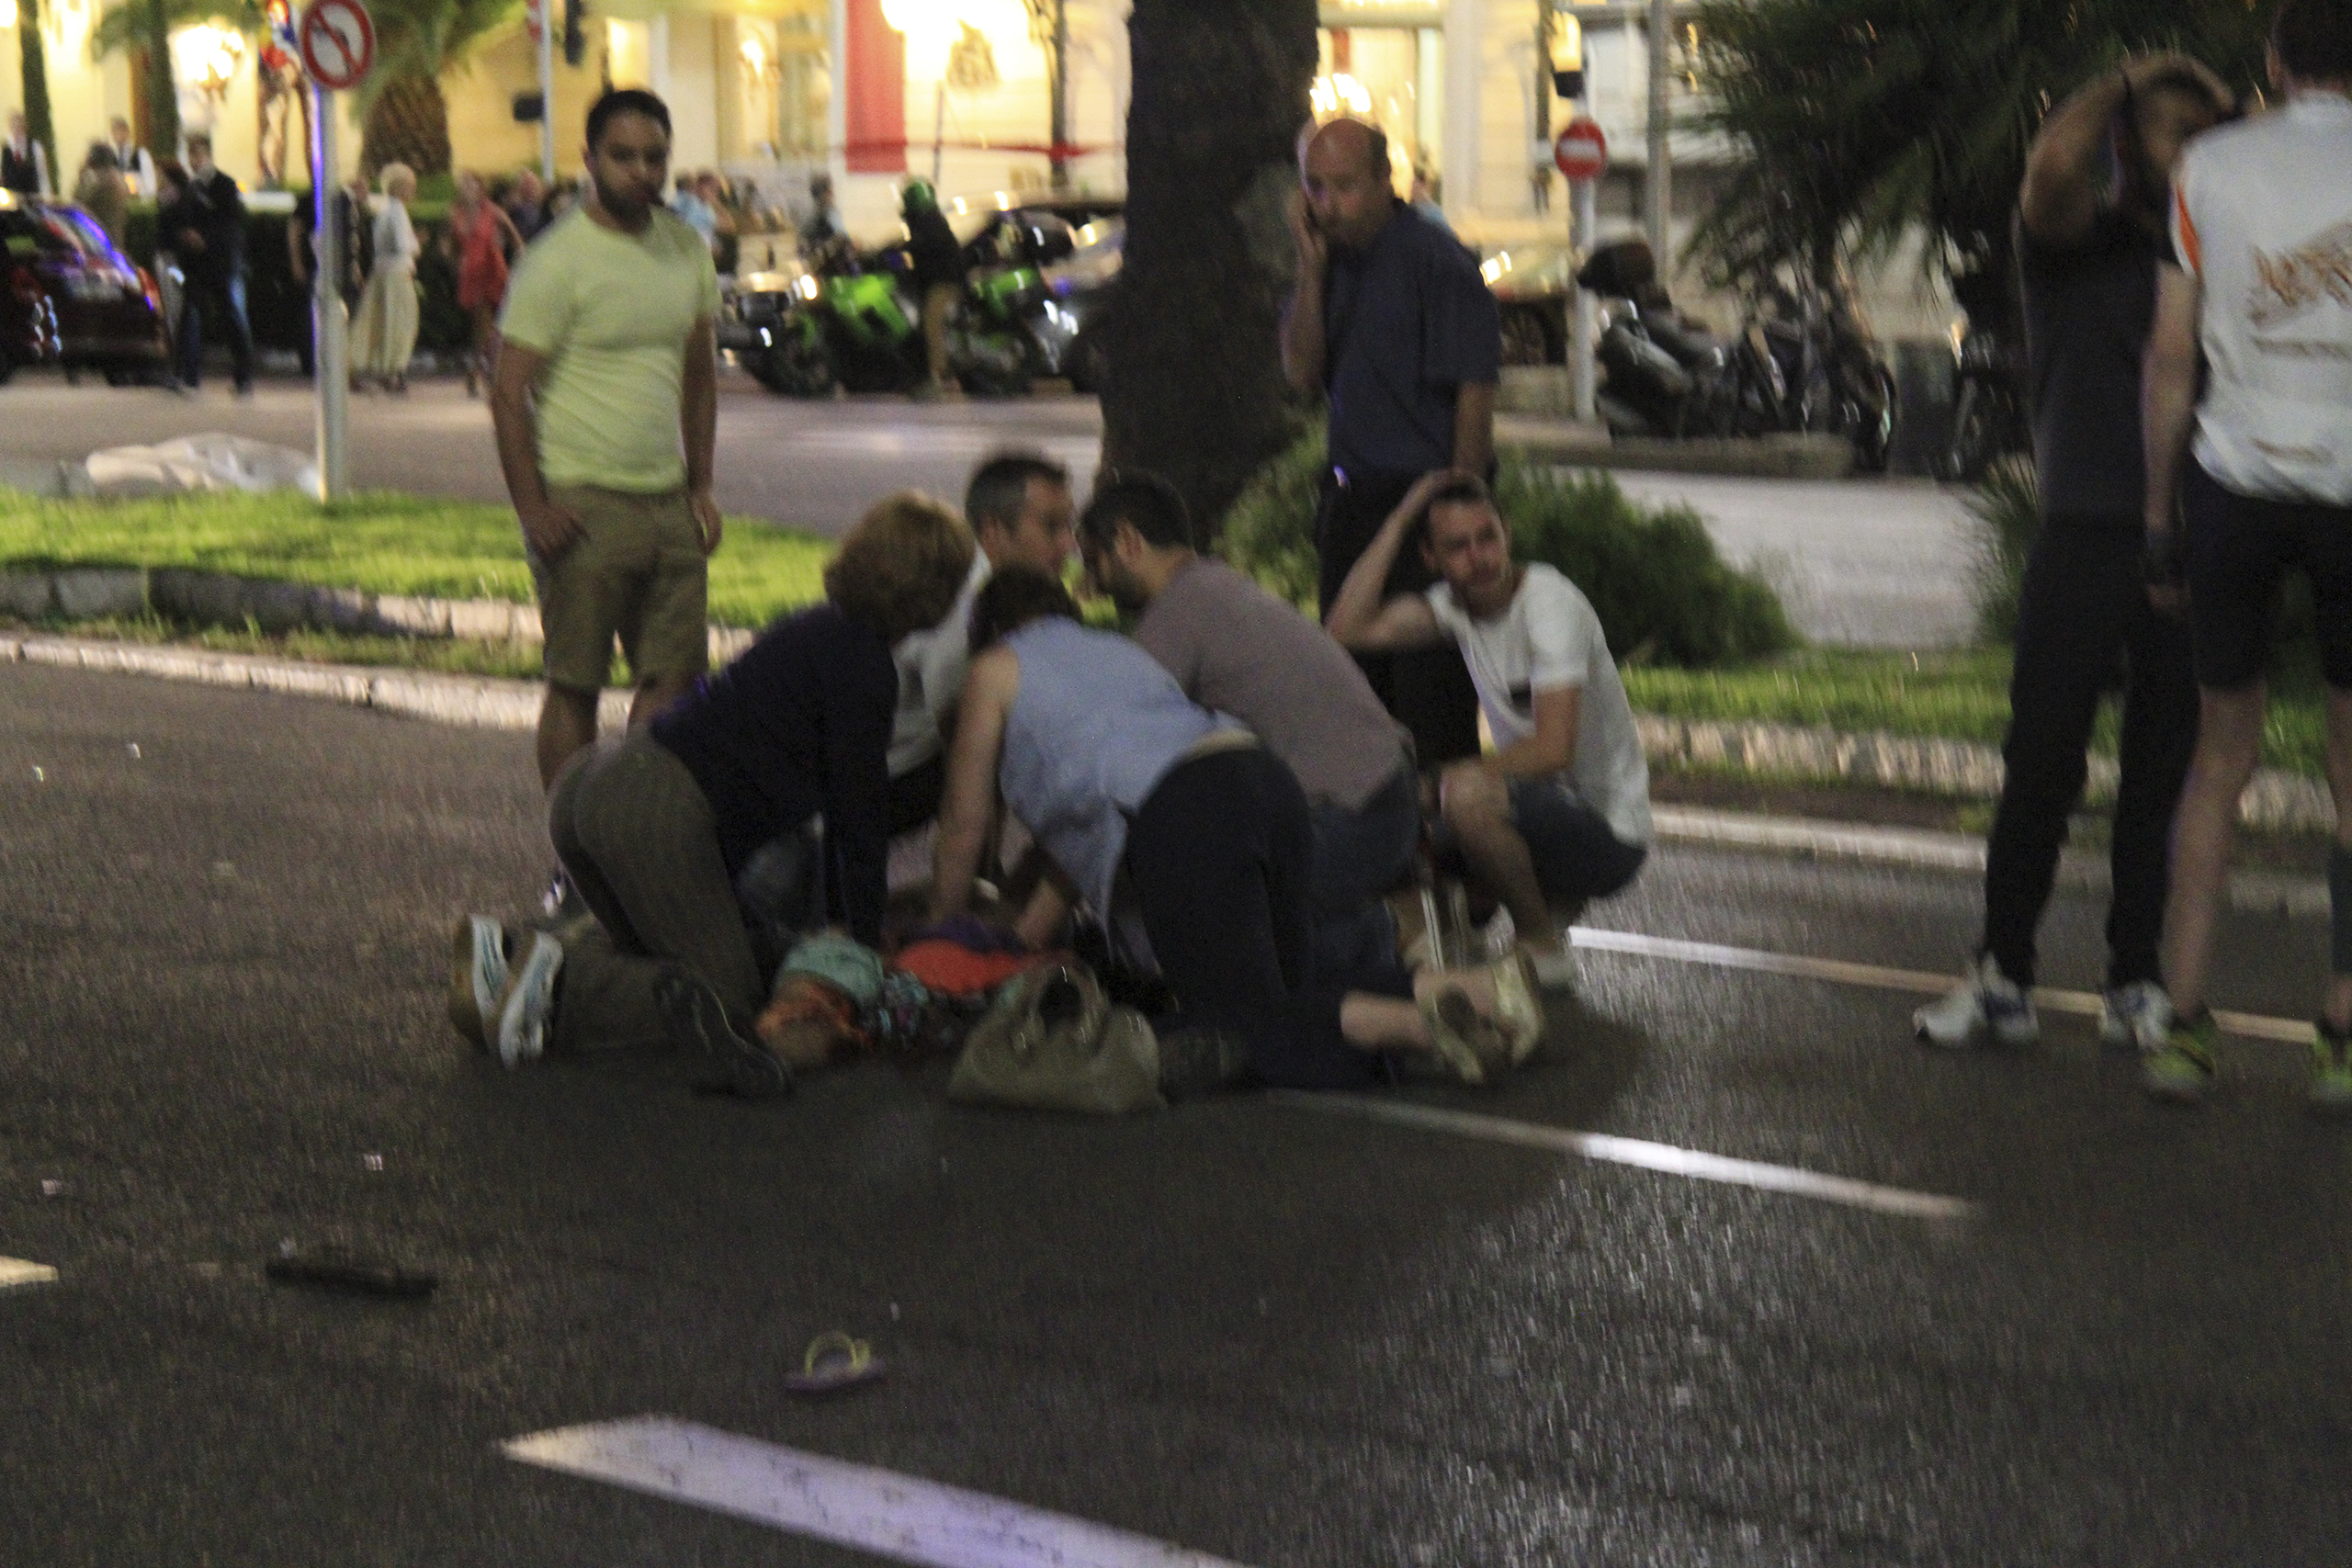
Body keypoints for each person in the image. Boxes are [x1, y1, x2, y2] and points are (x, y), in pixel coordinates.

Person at [930, 569, 1544, 1095]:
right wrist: (1026, 937)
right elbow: (1096, 822)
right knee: (1289, 986)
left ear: (988, 632)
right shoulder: (1118, 655)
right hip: (1262, 780)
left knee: (1229, 1023)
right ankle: (1472, 990)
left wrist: (941, 935)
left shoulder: (996, 667)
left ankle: (1419, 1028)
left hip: (1187, 811)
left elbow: (964, 820)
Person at [449, 494, 974, 1097]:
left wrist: (843, 916)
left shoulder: (812, 627)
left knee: (651, 947)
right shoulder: (866, 669)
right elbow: (858, 817)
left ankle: (524, 961)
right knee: (726, 998)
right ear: (931, 589)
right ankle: (549, 982)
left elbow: (832, 813)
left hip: (597, 785)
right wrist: (861, 934)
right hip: (652, 809)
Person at [1912, 56, 2229, 1054]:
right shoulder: (2070, 244)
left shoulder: (2217, 257)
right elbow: (2049, 166)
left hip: (2186, 540)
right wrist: (2135, 78)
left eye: (2206, 136)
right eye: (2178, 132)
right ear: (2130, 146)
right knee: (2041, 768)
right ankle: (2002, 973)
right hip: (2083, 536)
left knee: (2162, 779)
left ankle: (2133, 980)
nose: (2196, 152)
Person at [2140, 0, 2352, 1106]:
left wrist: (2156, 521)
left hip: (2232, 481)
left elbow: (2172, 357)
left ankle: (2180, 1020)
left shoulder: (2210, 169)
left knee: (2219, 761)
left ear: (2272, 65)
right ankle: (2340, 1038)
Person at [1078, 469, 1419, 978]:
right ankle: (1372, 950)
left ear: (1127, 542)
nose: (1091, 584)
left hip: (1352, 819)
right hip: (1389, 793)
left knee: (1212, 915)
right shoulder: (1219, 586)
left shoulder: (1173, 618)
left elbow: (1119, 751)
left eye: (1093, 563)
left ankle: (1375, 942)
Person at [493, 87, 724, 802]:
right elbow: (507, 392)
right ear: (590, 160)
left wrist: (700, 487)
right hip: (583, 502)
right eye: (623, 157)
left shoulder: (686, 248)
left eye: (654, 157)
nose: (641, 172)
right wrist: (534, 507)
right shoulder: (558, 260)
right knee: (575, 686)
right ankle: (574, 855)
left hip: (666, 500)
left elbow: (698, 377)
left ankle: (631, 830)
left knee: (676, 682)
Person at [1327, 472, 1651, 962]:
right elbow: (1347, 627)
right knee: (1389, 815)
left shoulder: (1549, 604)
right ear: (1430, 559)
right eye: (1457, 547)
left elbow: (1553, 749)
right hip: (1538, 808)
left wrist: (1440, 782)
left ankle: (1541, 945)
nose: (1478, 558)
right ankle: (1468, 928)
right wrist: (1399, 519)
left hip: (1608, 833)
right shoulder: (1452, 609)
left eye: (1488, 538)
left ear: (1507, 535)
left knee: (1464, 795)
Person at [1283, 116, 1498, 771]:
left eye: (1344, 186)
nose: (1328, 205)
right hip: (1352, 508)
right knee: (1354, 700)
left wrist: (1458, 518)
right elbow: (1300, 372)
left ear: (1384, 180)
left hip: (1422, 508)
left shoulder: (1435, 261)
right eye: (1314, 188)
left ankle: (1450, 847)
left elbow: (1473, 394)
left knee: (1430, 707)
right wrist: (1311, 274)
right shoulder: (1328, 264)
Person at [883, 451, 1078, 834]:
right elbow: (963, 745)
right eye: (1052, 527)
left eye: (1070, 526)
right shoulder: (967, 603)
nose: (1070, 545)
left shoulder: (1006, 595)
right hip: (884, 778)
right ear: (992, 532)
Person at [175, 134, 255, 395]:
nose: (193, 161)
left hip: (223, 263)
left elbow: (232, 225)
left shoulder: (224, 184)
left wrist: (205, 238)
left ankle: (244, 376)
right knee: (191, 315)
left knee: (232, 317)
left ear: (207, 155)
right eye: (190, 155)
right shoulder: (191, 187)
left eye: (196, 155)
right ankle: (190, 376)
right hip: (197, 265)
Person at [445, 171, 523, 396]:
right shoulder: (456, 213)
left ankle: (481, 372)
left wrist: (520, 261)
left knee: (488, 326)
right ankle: (482, 370)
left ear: (480, 188)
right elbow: (450, 245)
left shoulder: (493, 212)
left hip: (492, 270)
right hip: (471, 273)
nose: (467, 188)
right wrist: (454, 262)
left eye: (471, 184)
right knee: (482, 327)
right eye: (464, 184)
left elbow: (516, 240)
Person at [288, 175, 367, 379]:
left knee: (342, 316)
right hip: (317, 267)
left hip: (341, 269)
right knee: (314, 316)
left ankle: (339, 363)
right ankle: (314, 363)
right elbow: (296, 229)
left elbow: (351, 241)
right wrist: (297, 263)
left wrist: (355, 269)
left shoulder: (347, 203)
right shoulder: (313, 198)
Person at [352, 164, 420, 393]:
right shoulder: (398, 211)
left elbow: (370, 201)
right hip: (398, 274)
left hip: (380, 272)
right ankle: (393, 371)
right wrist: (417, 243)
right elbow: (402, 245)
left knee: (379, 322)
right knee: (400, 323)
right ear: (401, 188)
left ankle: (379, 369)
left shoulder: (384, 209)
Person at [901, 179, 965, 399]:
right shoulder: (925, 222)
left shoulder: (931, 222)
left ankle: (939, 376)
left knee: (932, 321)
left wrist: (901, 247)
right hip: (933, 282)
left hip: (946, 284)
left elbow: (922, 244)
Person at [74, 143, 129, 253]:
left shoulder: (95, 179)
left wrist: (81, 176)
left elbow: (77, 202)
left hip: (97, 238)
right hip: (116, 235)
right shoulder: (119, 178)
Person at [4, 113, 51, 197]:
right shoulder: (3, 149)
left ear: (24, 128)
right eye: (13, 127)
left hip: (33, 198)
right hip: (11, 201)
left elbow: (42, 175)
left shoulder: (35, 147)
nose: (16, 131)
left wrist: (46, 196)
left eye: (19, 127)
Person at [107, 117, 155, 199]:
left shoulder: (140, 153)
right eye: (115, 132)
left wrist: (148, 197)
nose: (119, 135)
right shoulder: (110, 156)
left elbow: (149, 180)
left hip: (139, 199)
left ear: (127, 132)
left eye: (121, 131)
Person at [504, 167, 548, 244]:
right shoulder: (516, 211)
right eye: (527, 185)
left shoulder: (546, 208)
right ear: (520, 188)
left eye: (533, 185)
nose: (531, 189)